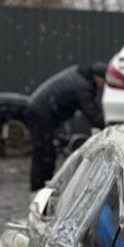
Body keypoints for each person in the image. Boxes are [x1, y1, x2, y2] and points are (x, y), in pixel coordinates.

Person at [26, 62, 107, 191]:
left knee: (46, 150)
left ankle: (42, 184)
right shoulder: (82, 87)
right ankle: (38, 188)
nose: (103, 86)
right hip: (41, 111)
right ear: (98, 78)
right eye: (104, 82)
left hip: (42, 109)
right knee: (44, 151)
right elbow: (94, 116)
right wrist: (109, 124)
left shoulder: (80, 76)